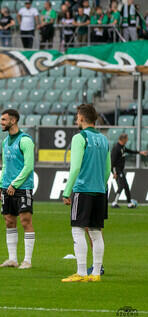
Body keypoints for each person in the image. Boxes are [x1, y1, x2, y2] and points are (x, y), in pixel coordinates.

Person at [61, 104, 110, 282]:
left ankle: (81, 272)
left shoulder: (79, 138)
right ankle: (96, 273)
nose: (76, 120)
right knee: (96, 232)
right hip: (100, 190)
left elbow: (75, 168)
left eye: (76, 117)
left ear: (81, 118)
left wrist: (67, 192)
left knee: (78, 230)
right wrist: (101, 185)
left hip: (83, 190)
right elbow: (107, 169)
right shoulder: (104, 139)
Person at [0, 109, 35, 270]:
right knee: (9, 221)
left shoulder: (25, 140)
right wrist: (0, 185)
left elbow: (29, 167)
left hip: (22, 187)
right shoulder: (5, 142)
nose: (1, 122)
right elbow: (5, 166)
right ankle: (12, 259)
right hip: (7, 187)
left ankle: (27, 260)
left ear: (13, 121)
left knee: (26, 221)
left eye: (4, 120)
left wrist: (14, 184)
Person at [111, 133, 148, 208]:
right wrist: (114, 172)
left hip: (120, 170)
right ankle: (114, 202)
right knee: (121, 185)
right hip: (117, 170)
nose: (127, 140)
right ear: (123, 139)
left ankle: (129, 203)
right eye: (126, 139)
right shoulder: (116, 148)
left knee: (126, 186)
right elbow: (112, 162)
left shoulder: (122, 147)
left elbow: (129, 151)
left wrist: (140, 152)